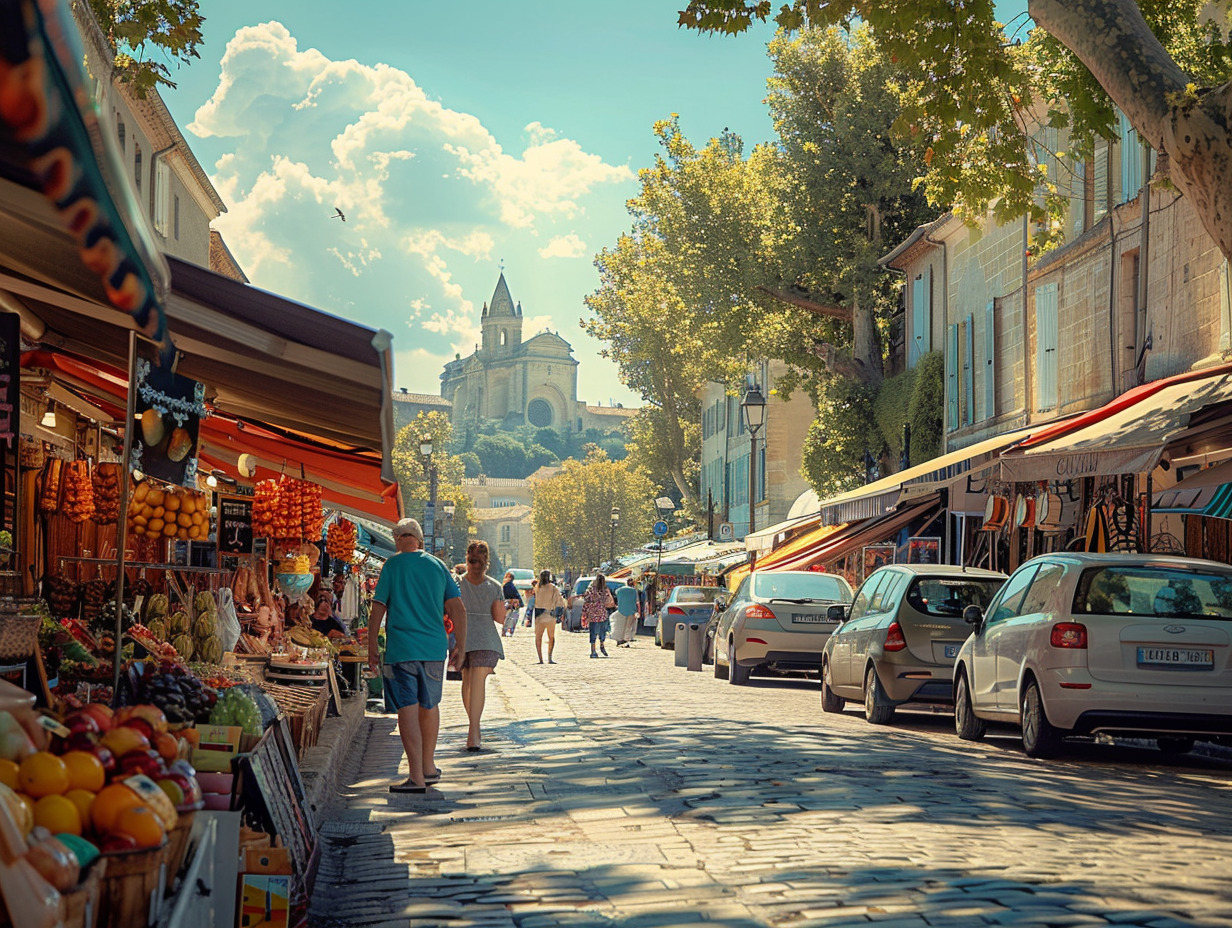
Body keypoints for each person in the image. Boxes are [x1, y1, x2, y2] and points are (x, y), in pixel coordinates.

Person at [368, 518, 466, 797]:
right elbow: (458, 607)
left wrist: (372, 646)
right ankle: (429, 767)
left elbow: (378, 608)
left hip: (403, 649)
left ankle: (415, 777)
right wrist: (461, 643)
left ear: (398, 539)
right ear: (420, 541)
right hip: (435, 648)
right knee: (430, 705)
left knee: (407, 708)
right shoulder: (437, 566)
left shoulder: (392, 566)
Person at [457, 541, 505, 752]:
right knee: (474, 683)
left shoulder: (456, 584)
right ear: (487, 563)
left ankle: (473, 731)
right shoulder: (494, 586)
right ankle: (474, 731)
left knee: (469, 683)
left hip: (463, 636)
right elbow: (500, 618)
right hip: (485, 637)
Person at [532, 570, 567, 664]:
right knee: (551, 637)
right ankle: (549, 657)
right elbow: (559, 601)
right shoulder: (552, 587)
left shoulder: (537, 587)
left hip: (538, 615)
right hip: (550, 614)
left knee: (538, 637)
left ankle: (540, 659)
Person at [580, 573, 615, 658]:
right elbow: (609, 601)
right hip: (602, 613)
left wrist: (585, 611)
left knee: (593, 632)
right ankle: (602, 645)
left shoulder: (591, 590)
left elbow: (586, 599)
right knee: (602, 631)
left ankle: (593, 650)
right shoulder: (605, 590)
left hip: (593, 614)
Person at [613, 578, 640, 646]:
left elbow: (616, 596)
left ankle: (619, 639)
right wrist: (638, 611)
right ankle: (626, 640)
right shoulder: (634, 591)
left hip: (621, 610)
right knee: (628, 627)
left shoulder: (619, 590)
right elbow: (637, 602)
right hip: (631, 611)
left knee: (620, 626)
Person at [501, 571, 523, 637]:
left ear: (510, 578)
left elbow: (510, 596)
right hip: (513, 604)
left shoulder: (508, 585)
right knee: (512, 618)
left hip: (512, 604)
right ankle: (508, 632)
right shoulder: (509, 585)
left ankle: (506, 632)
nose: (505, 578)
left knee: (509, 618)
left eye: (507, 576)